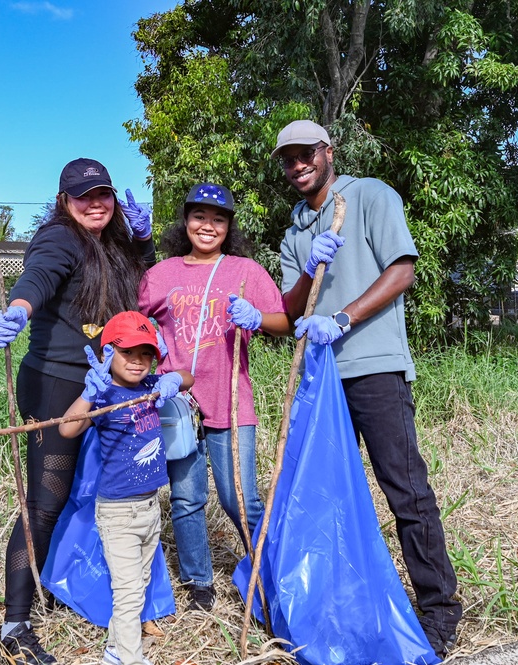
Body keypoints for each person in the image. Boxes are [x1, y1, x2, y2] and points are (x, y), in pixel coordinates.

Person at [271, 120, 462, 659]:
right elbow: (291, 308)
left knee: (405, 489)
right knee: (325, 494)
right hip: (321, 377)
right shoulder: (294, 230)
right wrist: (309, 269)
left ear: (328, 152)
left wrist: (344, 317)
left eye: (306, 154)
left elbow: (403, 271)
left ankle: (439, 609)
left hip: (374, 366)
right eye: (288, 159)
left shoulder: (370, 195)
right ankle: (338, 606)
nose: (298, 165)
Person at [0, 158, 155, 665]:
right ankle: (15, 621)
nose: (96, 202)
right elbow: (38, 277)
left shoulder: (113, 246)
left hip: (105, 384)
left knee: (101, 490)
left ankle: (67, 584)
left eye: (103, 192)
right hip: (57, 385)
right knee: (46, 499)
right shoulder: (59, 239)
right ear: (65, 201)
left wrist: (144, 243)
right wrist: (18, 309)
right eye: (83, 195)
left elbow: (138, 289)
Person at [138, 182, 290, 611]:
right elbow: (137, 323)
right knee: (186, 497)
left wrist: (259, 317)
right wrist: (153, 350)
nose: (208, 226)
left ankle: (270, 570)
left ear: (228, 227)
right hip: (177, 402)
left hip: (230, 399)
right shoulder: (160, 274)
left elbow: (284, 321)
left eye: (218, 219)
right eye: (199, 216)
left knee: (239, 497)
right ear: (185, 221)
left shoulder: (245, 270)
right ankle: (198, 584)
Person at [58, 311, 193, 665]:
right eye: (128, 353)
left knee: (140, 583)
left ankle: (116, 650)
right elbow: (67, 430)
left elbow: (189, 378)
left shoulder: (151, 388)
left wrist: (173, 378)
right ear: (107, 355)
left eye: (146, 354)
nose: (137, 362)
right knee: (129, 592)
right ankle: (131, 659)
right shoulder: (104, 396)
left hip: (150, 507)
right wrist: (89, 394)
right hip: (118, 511)